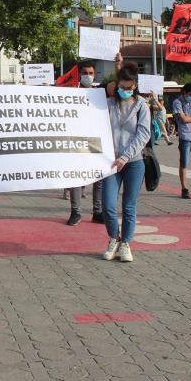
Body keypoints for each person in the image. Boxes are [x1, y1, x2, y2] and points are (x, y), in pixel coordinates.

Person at [100, 63, 151, 263]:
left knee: (129, 206)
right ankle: (114, 237)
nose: (125, 90)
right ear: (117, 85)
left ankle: (126, 243)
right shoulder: (109, 104)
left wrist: (125, 157)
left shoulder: (142, 106)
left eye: (129, 87)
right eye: (122, 86)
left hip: (134, 163)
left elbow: (143, 135)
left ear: (135, 86)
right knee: (108, 205)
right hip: (111, 163)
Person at [65, 60, 107, 226]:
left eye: (90, 73)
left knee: (99, 178)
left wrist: (119, 64)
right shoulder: (70, 93)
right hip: (76, 141)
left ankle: (97, 211)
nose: (87, 76)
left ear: (95, 75)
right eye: (84, 73)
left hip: (96, 140)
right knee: (76, 177)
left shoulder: (100, 94)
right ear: (79, 75)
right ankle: (75, 212)